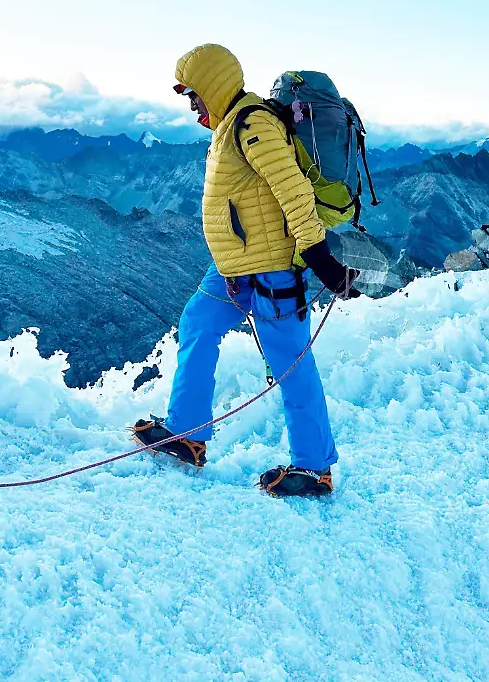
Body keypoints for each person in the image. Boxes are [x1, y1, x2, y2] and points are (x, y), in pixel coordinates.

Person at [131, 43, 358, 499]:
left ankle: (315, 470)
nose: (192, 104)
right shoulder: (232, 126)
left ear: (213, 86)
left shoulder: (254, 125)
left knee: (291, 364)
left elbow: (291, 189)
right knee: (197, 322)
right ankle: (186, 434)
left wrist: (319, 258)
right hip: (233, 269)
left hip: (273, 270)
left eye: (194, 94)